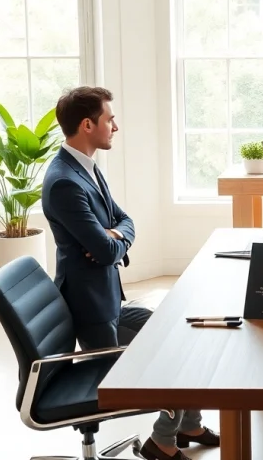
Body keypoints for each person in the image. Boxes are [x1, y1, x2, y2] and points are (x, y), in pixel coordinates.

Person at [41, 86, 218, 460]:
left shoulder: (85, 168)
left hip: (110, 301)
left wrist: (115, 234)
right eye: (110, 119)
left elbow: (125, 222)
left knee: (181, 335)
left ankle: (189, 424)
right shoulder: (64, 183)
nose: (115, 127)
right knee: (169, 358)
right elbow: (105, 251)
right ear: (88, 124)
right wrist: (111, 240)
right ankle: (162, 442)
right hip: (93, 311)